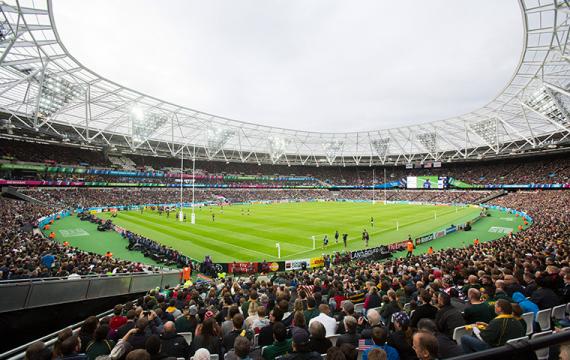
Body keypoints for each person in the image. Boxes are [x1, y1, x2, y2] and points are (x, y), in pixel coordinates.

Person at [460, 299, 525, 353]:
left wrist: (475, 328)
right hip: (513, 348)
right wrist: (488, 326)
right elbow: (502, 330)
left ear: (499, 309)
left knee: (464, 338)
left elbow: (484, 338)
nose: (494, 308)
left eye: (495, 306)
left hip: (498, 350)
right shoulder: (516, 320)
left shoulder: (497, 321)